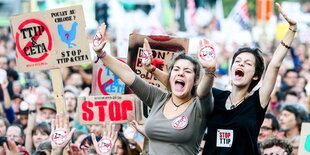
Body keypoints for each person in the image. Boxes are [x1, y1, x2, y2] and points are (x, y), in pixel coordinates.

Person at [147, 3, 297, 154]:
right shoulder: (215, 96)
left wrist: (291, 29)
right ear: (232, 69)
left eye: (248, 63)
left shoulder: (257, 102)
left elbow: (274, 65)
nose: (241, 64)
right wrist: (152, 69)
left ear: (256, 75)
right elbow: (181, 82)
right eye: (238, 61)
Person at [92, 22, 215, 154]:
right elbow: (128, 76)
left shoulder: (199, 107)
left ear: (196, 79)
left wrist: (209, 71)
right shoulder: (159, 97)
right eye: (176, 69)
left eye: (187, 71)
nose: (180, 73)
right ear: (170, 75)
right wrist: (101, 53)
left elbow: (203, 93)